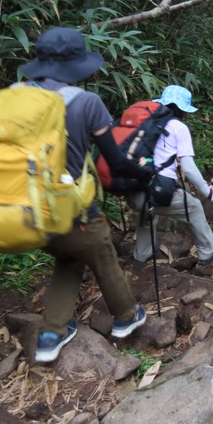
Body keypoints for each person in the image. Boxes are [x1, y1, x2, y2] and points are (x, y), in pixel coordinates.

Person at [20, 27, 150, 364]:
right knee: (102, 253)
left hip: (25, 211)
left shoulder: (12, 96)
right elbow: (116, 160)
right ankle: (126, 317)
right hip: (72, 209)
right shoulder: (86, 102)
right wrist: (146, 172)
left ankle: (51, 333)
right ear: (76, 66)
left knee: (68, 257)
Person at [128, 85, 213, 266]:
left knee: (148, 212)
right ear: (182, 110)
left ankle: (141, 254)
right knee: (194, 206)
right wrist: (208, 192)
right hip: (155, 191)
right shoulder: (178, 128)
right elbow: (188, 168)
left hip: (131, 189)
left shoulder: (145, 121)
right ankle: (208, 250)